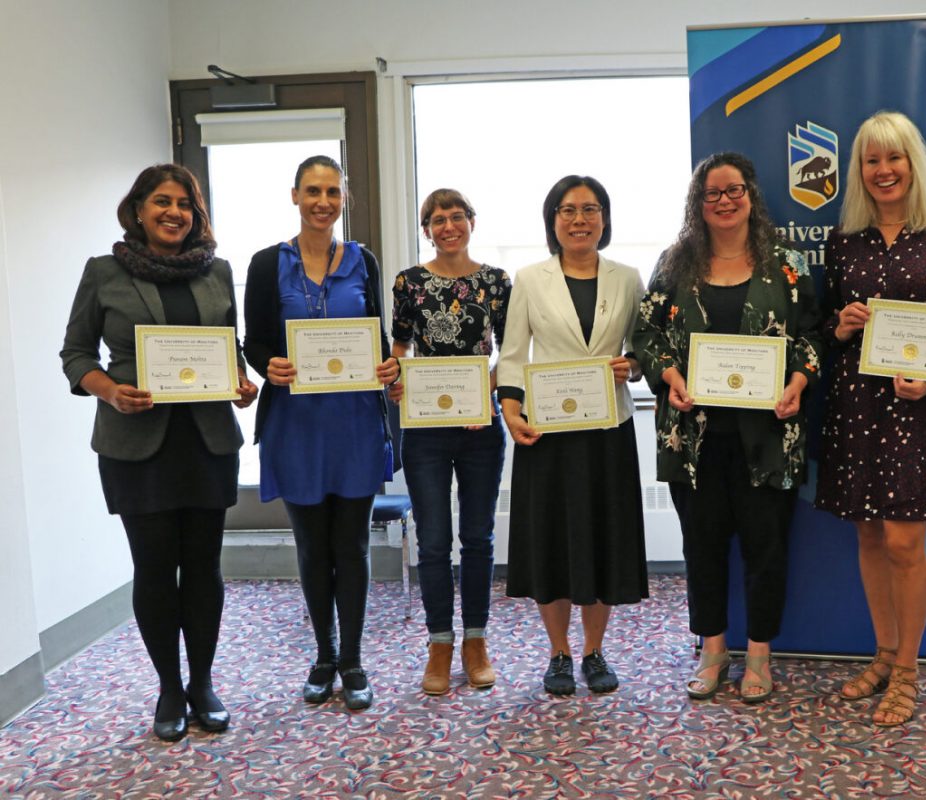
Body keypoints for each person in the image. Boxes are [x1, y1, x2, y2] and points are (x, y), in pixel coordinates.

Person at [61, 164, 258, 741]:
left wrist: (242, 385)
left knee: (203, 569)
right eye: (163, 202)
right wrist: (110, 390)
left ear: (196, 215)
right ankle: (168, 689)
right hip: (135, 447)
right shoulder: (104, 272)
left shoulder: (218, 271)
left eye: (186, 205)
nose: (175, 213)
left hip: (206, 442)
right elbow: (75, 354)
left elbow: (230, 350)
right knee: (153, 568)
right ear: (139, 209)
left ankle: (202, 683)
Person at [815, 111, 926, 726]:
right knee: (867, 534)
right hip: (858, 407)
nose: (883, 170)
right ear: (858, 171)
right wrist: (841, 325)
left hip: (922, 412)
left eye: (895, 158)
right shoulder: (844, 241)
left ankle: (909, 668)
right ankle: (883, 652)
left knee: (905, 541)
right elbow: (824, 332)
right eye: (871, 160)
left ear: (914, 163)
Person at [632, 152, 823, 704]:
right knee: (704, 547)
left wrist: (798, 382)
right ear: (698, 202)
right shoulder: (674, 263)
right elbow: (646, 336)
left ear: (751, 195)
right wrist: (668, 373)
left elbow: (811, 335)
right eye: (712, 193)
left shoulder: (786, 264)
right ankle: (713, 651)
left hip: (769, 436)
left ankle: (759, 656)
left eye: (733, 190)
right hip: (692, 438)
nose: (723, 201)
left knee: (767, 547)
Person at [243, 155, 397, 711]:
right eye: (313, 190)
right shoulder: (266, 264)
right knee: (311, 547)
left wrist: (389, 368)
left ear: (344, 198)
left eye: (333, 191)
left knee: (352, 547)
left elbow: (378, 339)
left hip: (354, 421)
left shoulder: (364, 261)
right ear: (295, 196)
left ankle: (353, 660)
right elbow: (253, 340)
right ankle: (323, 655)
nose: (323, 201)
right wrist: (269, 366)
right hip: (296, 423)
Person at [496, 175, 648, 696]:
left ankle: (593, 650)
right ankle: (559, 653)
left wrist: (634, 364)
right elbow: (513, 354)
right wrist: (510, 412)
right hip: (548, 431)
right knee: (552, 541)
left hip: (609, 428)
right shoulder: (530, 279)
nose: (579, 219)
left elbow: (643, 347)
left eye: (590, 209)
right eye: (567, 210)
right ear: (552, 220)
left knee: (603, 538)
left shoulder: (628, 278)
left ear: (604, 218)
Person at [391, 189, 511, 695]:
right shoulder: (409, 283)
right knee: (435, 539)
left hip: (481, 424)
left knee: (478, 538)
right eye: (437, 220)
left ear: (472, 222)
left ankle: (476, 642)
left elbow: (512, 349)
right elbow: (399, 346)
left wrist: (488, 389)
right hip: (425, 428)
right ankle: (440, 643)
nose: (448, 226)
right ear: (427, 230)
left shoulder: (497, 282)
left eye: (456, 217)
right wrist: (395, 376)